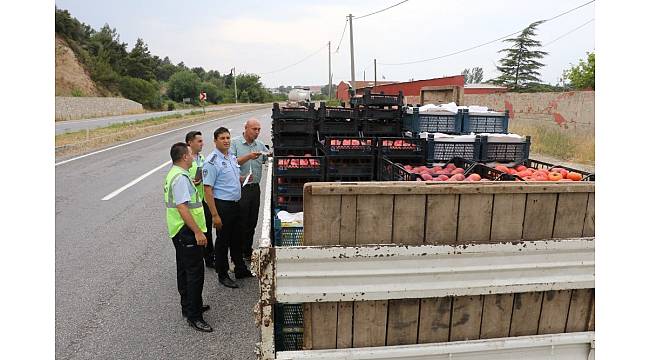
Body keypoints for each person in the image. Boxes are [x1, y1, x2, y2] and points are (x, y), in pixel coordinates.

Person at [164, 142, 213, 332]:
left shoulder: (176, 174)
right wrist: (198, 231)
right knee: (194, 274)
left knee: (184, 271)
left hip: (178, 231)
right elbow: (182, 207)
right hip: (187, 231)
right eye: (191, 154)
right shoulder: (181, 178)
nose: (194, 157)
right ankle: (194, 316)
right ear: (184, 157)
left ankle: (189, 307)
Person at [202, 127, 256, 288]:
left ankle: (240, 268)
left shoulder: (230, 157)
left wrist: (243, 178)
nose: (226, 141)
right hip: (223, 206)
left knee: (237, 238)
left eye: (228, 138)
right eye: (222, 138)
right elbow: (207, 189)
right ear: (215, 141)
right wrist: (215, 215)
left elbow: (231, 177)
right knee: (223, 241)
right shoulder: (212, 161)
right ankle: (223, 273)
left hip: (235, 204)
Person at [231, 118, 269, 260]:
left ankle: (247, 250)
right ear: (246, 128)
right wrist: (248, 156)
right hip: (240, 188)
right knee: (240, 221)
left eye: (259, 129)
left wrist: (269, 156)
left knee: (252, 221)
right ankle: (237, 253)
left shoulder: (259, 145)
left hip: (255, 188)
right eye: (254, 129)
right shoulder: (235, 143)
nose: (257, 132)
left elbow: (267, 159)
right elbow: (230, 162)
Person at [185, 131, 215, 268]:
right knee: (196, 232)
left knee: (207, 230)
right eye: (199, 141)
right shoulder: (185, 160)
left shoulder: (202, 158)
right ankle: (199, 257)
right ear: (190, 143)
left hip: (204, 200)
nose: (202, 143)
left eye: (202, 141)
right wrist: (191, 181)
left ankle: (210, 258)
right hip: (191, 204)